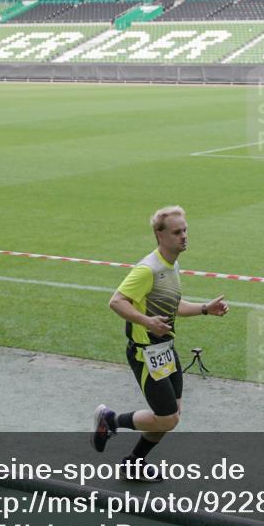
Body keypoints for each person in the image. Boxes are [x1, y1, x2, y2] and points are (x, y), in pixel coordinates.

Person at [93, 205, 228, 481]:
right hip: (145, 353)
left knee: (172, 416)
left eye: (185, 230)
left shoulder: (171, 265)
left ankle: (133, 463)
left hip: (165, 350)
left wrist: (204, 308)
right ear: (160, 235)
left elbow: (173, 306)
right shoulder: (148, 269)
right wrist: (146, 322)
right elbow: (116, 302)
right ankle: (111, 420)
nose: (184, 236)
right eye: (177, 232)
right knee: (166, 418)